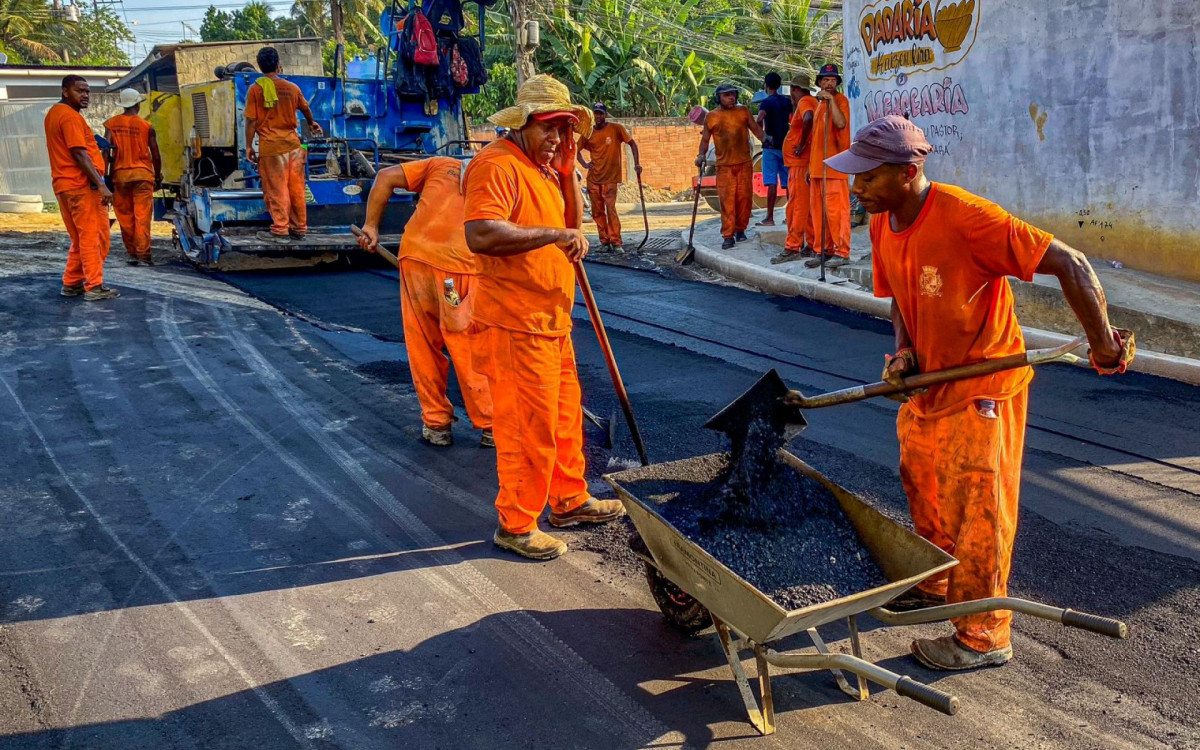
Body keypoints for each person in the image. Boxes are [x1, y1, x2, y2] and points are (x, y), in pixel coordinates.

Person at [821, 115, 1135, 670]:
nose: (857, 187)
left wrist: (1103, 343)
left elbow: (1071, 262)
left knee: (979, 511)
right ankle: (939, 584)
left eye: (867, 176)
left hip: (983, 386)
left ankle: (984, 636)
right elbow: (899, 294)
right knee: (924, 489)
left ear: (908, 170)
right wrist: (904, 353)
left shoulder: (968, 218)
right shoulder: (883, 219)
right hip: (930, 385)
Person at [463, 75, 626, 561]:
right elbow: (481, 234)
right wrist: (551, 234)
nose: (557, 138)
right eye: (550, 128)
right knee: (525, 428)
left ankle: (569, 500)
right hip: (514, 323)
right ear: (523, 124)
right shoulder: (497, 165)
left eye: (565, 129)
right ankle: (515, 524)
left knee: (562, 421)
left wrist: (569, 168)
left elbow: (569, 226)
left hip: (550, 320)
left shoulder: (548, 170)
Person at [357, 156, 493, 448]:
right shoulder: (501, 174)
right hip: (454, 273)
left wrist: (371, 226)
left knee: (422, 342)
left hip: (415, 261)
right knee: (467, 341)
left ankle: (436, 424)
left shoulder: (439, 164)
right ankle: (492, 423)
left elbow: (385, 176)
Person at [44, 75, 118, 301]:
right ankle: (94, 285)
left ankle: (72, 282)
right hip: (82, 186)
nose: (85, 95)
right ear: (65, 92)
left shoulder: (55, 114)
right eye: (80, 91)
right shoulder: (69, 117)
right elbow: (79, 153)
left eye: (87, 91)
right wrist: (101, 184)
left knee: (81, 237)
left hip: (65, 185)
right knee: (94, 237)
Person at [243, 46, 323, 243]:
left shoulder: (256, 89)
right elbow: (306, 109)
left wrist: (248, 146)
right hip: (294, 146)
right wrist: (312, 123)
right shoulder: (292, 88)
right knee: (296, 188)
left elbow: (251, 121)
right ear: (278, 64)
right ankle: (299, 228)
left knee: (276, 189)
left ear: (260, 66)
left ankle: (280, 230)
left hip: (272, 147)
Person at [697, 83, 766, 250]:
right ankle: (728, 235)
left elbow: (756, 129)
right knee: (727, 202)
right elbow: (705, 140)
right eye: (726, 95)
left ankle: (740, 229)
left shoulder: (743, 111)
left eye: (733, 94)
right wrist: (701, 155)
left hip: (744, 163)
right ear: (718, 98)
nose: (731, 98)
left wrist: (768, 141)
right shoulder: (711, 117)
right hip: (724, 167)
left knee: (745, 199)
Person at [104, 88, 161, 267]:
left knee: (125, 216)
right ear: (137, 104)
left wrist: (104, 176)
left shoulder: (111, 124)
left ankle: (133, 253)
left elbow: (106, 151)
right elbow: (156, 154)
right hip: (143, 176)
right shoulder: (146, 126)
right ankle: (144, 255)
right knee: (142, 216)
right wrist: (158, 175)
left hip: (119, 177)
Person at [577, 102, 641, 253]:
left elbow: (632, 143)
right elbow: (576, 149)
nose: (598, 116)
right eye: (596, 113)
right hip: (593, 178)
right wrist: (585, 164)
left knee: (610, 209)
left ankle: (616, 242)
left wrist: (637, 164)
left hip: (611, 177)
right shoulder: (588, 132)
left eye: (601, 113)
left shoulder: (616, 129)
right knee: (597, 211)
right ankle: (604, 242)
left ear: (605, 114)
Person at [806, 63, 852, 269]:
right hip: (817, 168)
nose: (829, 83)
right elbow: (815, 139)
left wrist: (832, 100)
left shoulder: (840, 101)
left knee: (837, 213)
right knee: (819, 214)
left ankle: (842, 251)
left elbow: (841, 123)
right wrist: (809, 167)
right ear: (819, 82)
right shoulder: (818, 105)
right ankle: (823, 250)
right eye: (825, 80)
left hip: (834, 168)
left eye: (833, 80)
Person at [771, 74, 817, 264]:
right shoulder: (813, 101)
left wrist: (801, 143)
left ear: (794, 89)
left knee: (796, 207)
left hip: (800, 165)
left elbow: (808, 118)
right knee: (806, 208)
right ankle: (811, 244)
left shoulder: (805, 101)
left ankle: (792, 246)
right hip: (802, 163)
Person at [754, 72, 793, 228]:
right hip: (785, 146)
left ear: (766, 86)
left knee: (771, 183)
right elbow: (793, 120)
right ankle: (790, 216)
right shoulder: (787, 101)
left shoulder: (766, 103)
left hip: (770, 147)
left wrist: (763, 137)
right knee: (788, 183)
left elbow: (759, 119)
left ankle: (769, 218)